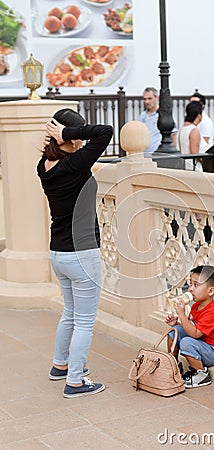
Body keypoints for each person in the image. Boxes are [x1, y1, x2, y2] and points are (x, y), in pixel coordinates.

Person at [37, 108, 113, 398]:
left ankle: (60, 366)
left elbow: (94, 137)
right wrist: (70, 133)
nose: (81, 141)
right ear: (66, 136)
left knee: (69, 313)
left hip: (59, 253)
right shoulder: (76, 165)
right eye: (76, 135)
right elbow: (104, 131)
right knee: (84, 321)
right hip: (82, 254)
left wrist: (64, 135)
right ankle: (76, 381)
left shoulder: (44, 164)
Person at [165, 265, 214, 388]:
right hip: (200, 343)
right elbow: (191, 327)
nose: (191, 289)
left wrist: (182, 314)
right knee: (174, 332)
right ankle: (174, 365)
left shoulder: (212, 312)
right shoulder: (196, 306)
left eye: (196, 285)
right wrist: (177, 323)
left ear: (210, 291)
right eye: (191, 284)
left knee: (187, 342)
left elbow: (195, 334)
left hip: (213, 352)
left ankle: (201, 374)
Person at [139, 87, 177, 156]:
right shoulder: (143, 116)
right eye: (145, 99)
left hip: (160, 155)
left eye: (150, 98)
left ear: (157, 98)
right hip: (145, 156)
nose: (147, 102)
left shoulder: (164, 114)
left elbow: (173, 134)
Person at [176, 101, 209, 171]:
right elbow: (194, 152)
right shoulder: (193, 130)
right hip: (194, 169)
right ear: (199, 115)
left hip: (184, 167)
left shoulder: (181, 129)